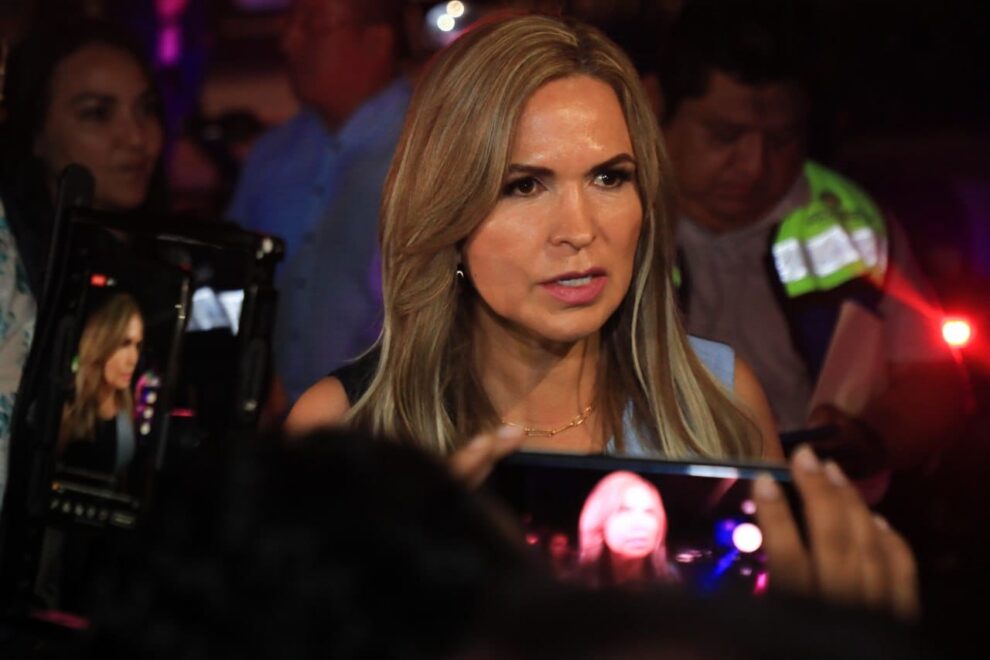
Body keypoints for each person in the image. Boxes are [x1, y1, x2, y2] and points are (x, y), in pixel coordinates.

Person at [287, 13, 782, 465]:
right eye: (524, 186)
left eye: (608, 178)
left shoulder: (720, 402)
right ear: (447, 211)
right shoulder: (344, 430)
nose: (579, 231)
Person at [657, 0, 969, 492]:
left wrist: (868, 440)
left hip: (814, 502)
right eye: (724, 135)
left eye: (782, 139)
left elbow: (936, 382)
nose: (754, 165)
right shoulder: (606, 211)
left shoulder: (852, 223)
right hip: (637, 504)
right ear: (655, 106)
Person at [0, 18, 165, 504]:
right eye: (97, 113)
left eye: (146, 109)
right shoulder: (17, 273)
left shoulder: (174, 270)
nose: (135, 137)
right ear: (35, 134)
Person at [226, 0, 412, 406]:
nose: (289, 40)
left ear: (377, 39)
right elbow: (229, 278)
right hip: (269, 422)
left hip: (385, 423)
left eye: (312, 25)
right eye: (288, 23)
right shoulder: (270, 155)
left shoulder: (427, 147)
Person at [58, 292, 143, 483]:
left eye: (137, 345)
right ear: (102, 342)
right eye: (125, 344)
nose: (133, 359)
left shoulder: (125, 408)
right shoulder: (67, 405)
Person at [577, 470, 674, 586]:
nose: (640, 524)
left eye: (649, 511)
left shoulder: (671, 585)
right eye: (624, 510)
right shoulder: (575, 585)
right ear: (599, 521)